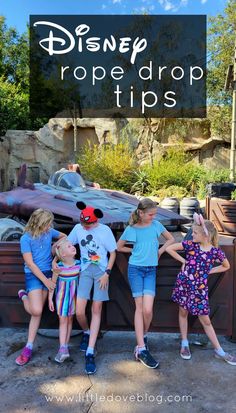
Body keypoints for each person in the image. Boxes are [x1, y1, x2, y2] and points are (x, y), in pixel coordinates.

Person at [166, 213, 236, 365]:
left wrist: (210, 271)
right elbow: (170, 249)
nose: (192, 234)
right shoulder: (191, 245)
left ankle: (219, 351)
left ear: (206, 235)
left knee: (205, 320)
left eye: (195, 232)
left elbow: (226, 266)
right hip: (184, 285)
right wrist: (183, 260)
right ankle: (184, 343)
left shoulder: (215, 252)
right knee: (183, 312)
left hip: (199, 290)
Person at [117, 198, 175, 369]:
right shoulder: (132, 229)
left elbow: (170, 239)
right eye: (150, 214)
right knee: (140, 308)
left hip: (151, 270)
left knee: (148, 310)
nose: (153, 217)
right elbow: (119, 247)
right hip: (135, 270)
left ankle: (143, 335)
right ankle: (141, 348)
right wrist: (133, 249)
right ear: (141, 213)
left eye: (154, 214)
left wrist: (160, 250)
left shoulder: (156, 225)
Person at [63, 201, 116, 374]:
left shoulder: (105, 230)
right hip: (84, 270)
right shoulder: (78, 228)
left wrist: (107, 273)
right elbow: (66, 243)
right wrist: (55, 256)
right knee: (79, 311)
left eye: (88, 225)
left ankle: (90, 351)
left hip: (101, 272)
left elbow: (113, 252)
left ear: (95, 221)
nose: (84, 228)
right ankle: (86, 331)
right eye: (83, 224)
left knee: (96, 308)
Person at [15, 208, 65, 366]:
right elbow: (30, 263)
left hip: (48, 272)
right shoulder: (26, 238)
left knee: (37, 313)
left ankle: (28, 347)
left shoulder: (49, 232)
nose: (49, 226)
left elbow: (64, 236)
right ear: (38, 223)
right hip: (34, 275)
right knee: (35, 310)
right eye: (47, 223)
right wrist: (46, 281)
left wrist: (55, 249)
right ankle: (23, 296)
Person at [48, 237, 81, 363]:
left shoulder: (79, 264)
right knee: (63, 321)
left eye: (72, 245)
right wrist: (50, 299)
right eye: (69, 246)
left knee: (70, 320)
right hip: (62, 298)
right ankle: (62, 347)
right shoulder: (58, 267)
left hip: (74, 297)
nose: (72, 247)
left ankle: (65, 346)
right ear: (63, 254)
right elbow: (52, 284)